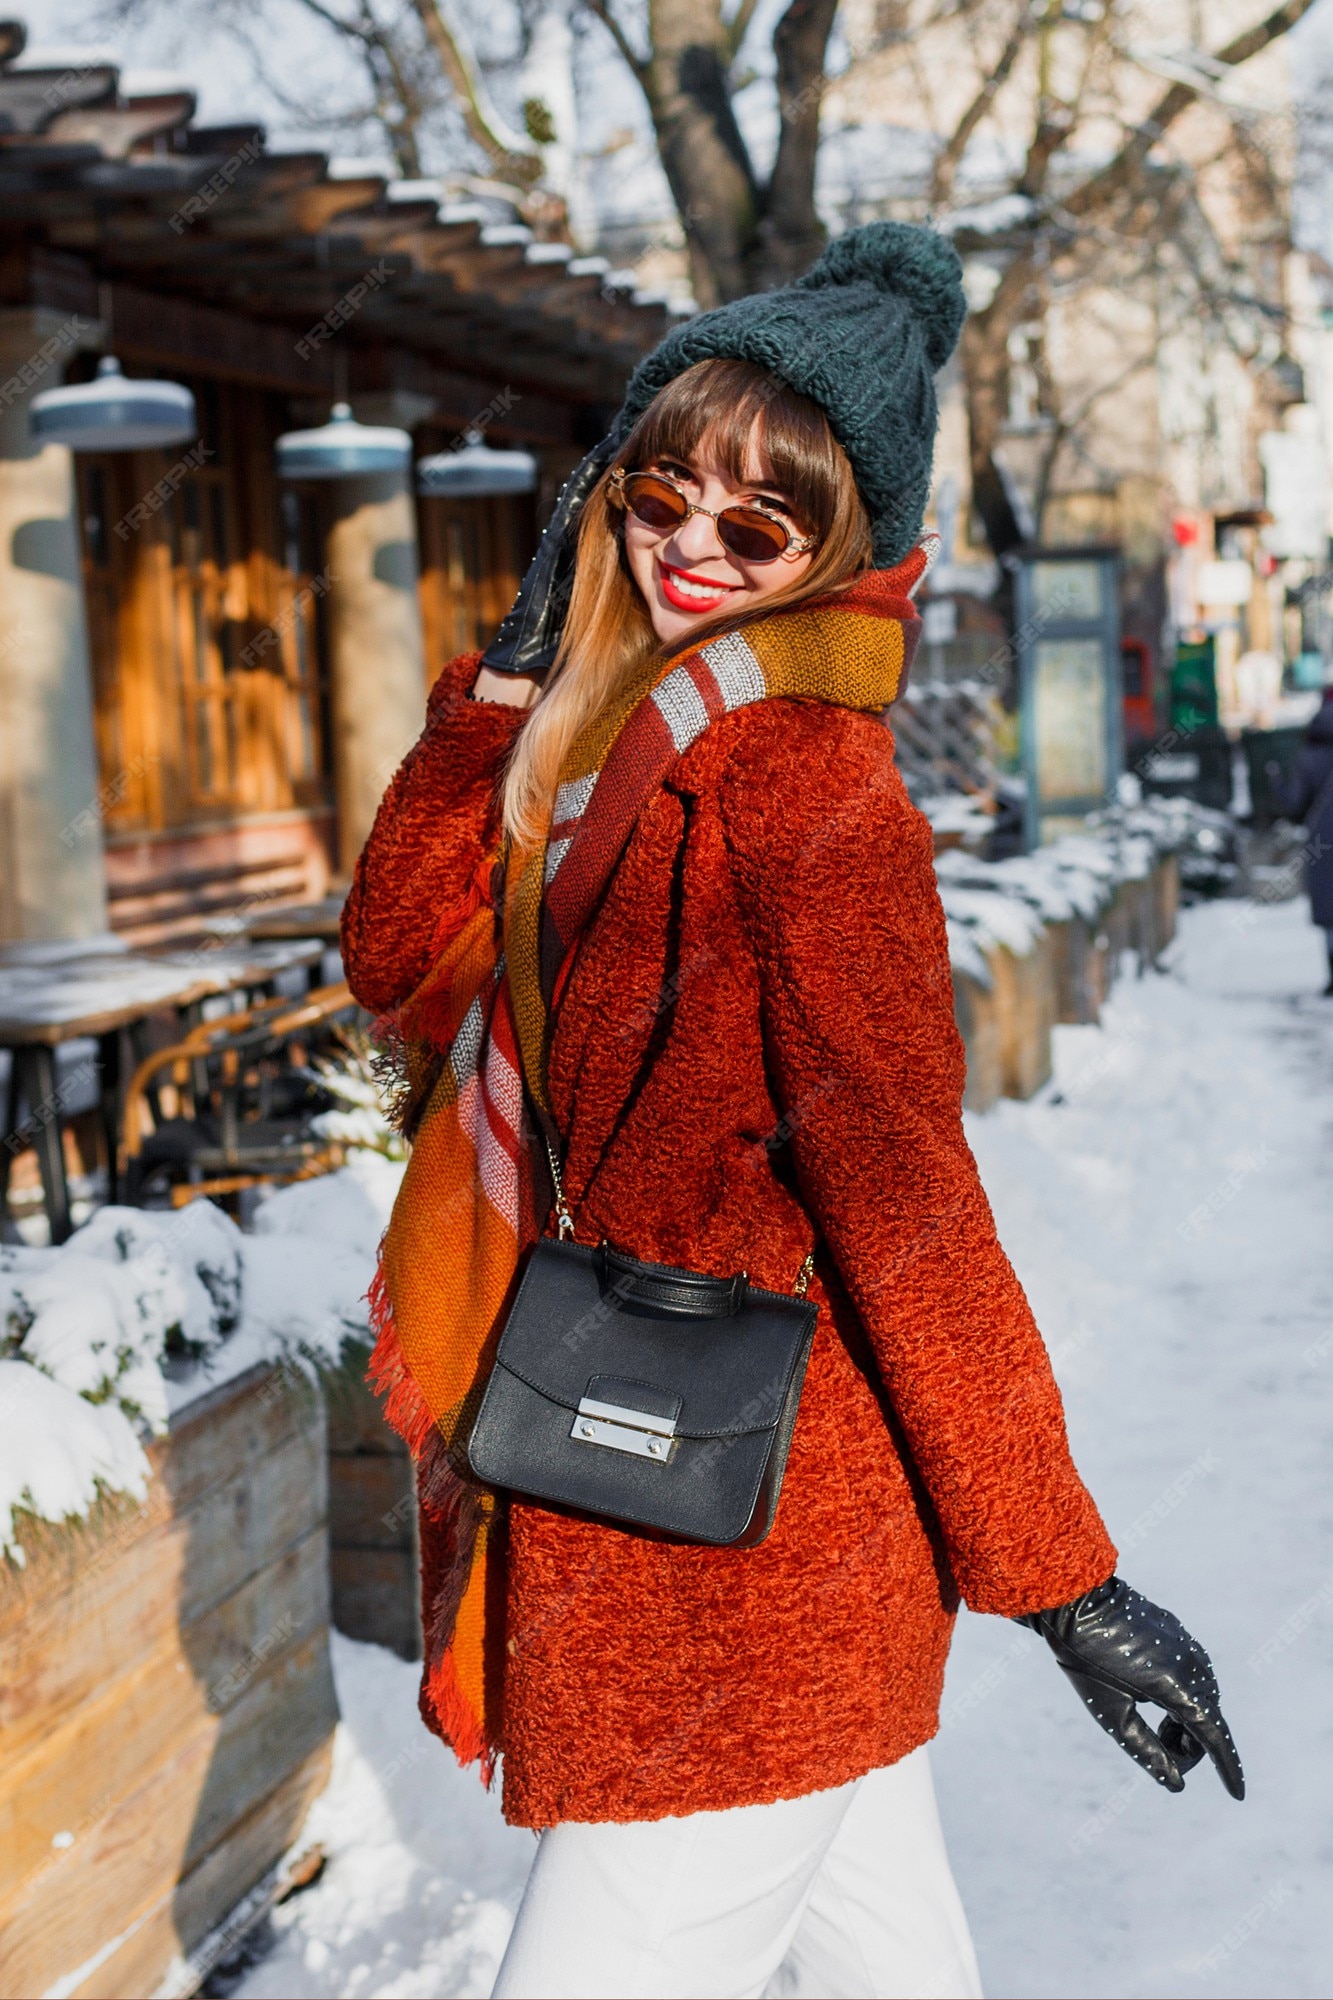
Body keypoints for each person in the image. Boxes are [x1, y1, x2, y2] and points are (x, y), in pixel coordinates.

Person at [341, 224, 1243, 2000]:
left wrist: (1062, 1581)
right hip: (679, 1500)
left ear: (839, 552)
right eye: (657, 490)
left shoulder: (812, 794)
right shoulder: (601, 730)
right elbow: (392, 954)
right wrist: (504, 687)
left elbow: (906, 1205)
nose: (686, 546)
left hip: (742, 1550)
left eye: (752, 527)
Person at [1283, 682, 1333, 994]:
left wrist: (1275, 780)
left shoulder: (1311, 751)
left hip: (1323, 842)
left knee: (1331, 913)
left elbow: (1294, 802)